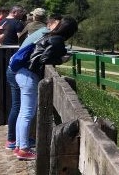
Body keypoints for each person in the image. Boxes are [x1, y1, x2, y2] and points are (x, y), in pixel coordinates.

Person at [14, 16, 78, 160]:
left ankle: (19, 146)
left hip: (23, 73)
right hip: (29, 75)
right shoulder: (57, 40)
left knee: (23, 112)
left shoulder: (49, 35)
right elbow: (44, 59)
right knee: (27, 113)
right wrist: (61, 60)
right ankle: (23, 149)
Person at [5, 14, 61, 150]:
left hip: (15, 67)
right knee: (23, 110)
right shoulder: (45, 34)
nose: (59, 28)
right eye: (57, 25)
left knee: (20, 109)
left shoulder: (38, 31)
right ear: (50, 24)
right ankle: (19, 145)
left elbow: (21, 38)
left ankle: (17, 142)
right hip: (22, 70)